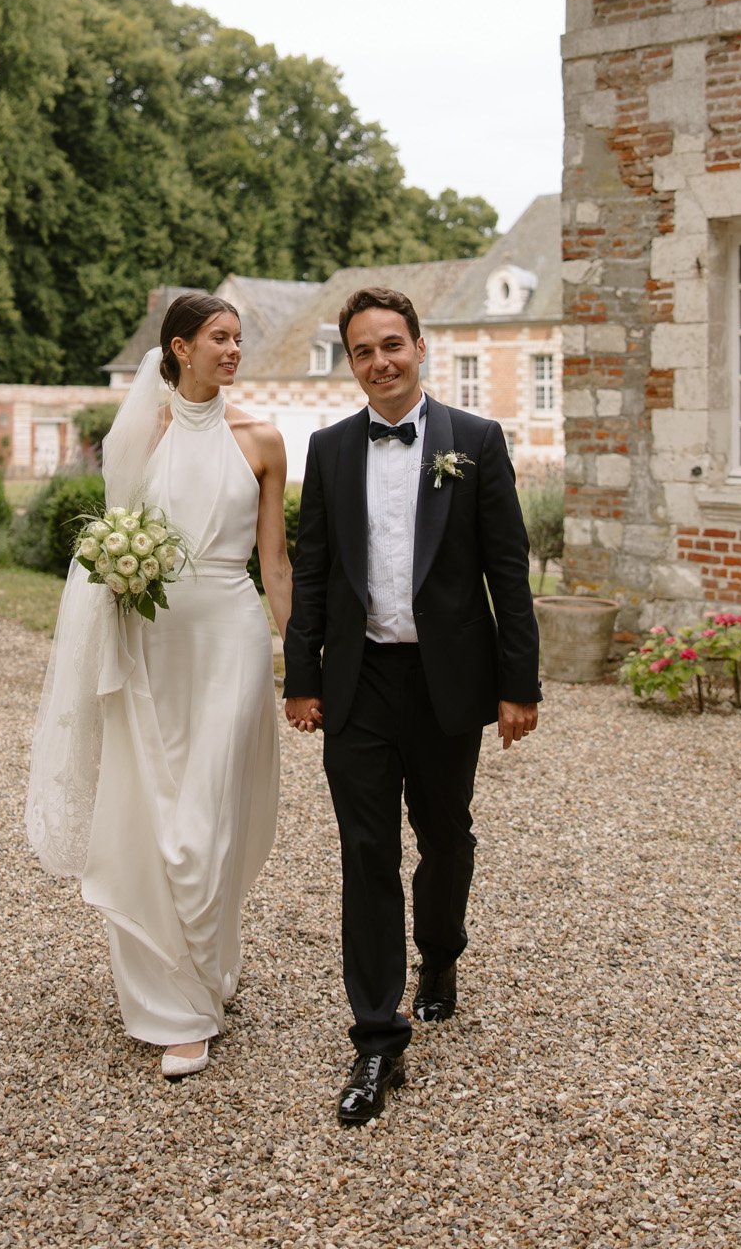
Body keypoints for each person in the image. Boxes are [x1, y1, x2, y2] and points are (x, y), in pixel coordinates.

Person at [282, 286, 541, 1126]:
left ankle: (440, 956)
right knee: (365, 852)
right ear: (350, 362)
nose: (379, 362)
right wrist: (302, 677)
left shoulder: (475, 442)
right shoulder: (325, 451)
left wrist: (517, 685)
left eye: (392, 345)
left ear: (419, 347)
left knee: (444, 836)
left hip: (445, 683)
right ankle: (374, 1037)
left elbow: (508, 571)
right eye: (363, 351)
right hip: (358, 684)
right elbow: (312, 572)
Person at [26, 293, 291, 1080]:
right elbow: (112, 545)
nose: (233, 350)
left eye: (239, 338)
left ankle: (199, 980)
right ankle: (178, 998)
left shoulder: (264, 440)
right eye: (219, 338)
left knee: (208, 814)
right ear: (179, 348)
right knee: (154, 810)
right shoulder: (136, 437)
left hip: (233, 639)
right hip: (151, 638)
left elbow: (274, 563)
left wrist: (303, 657)